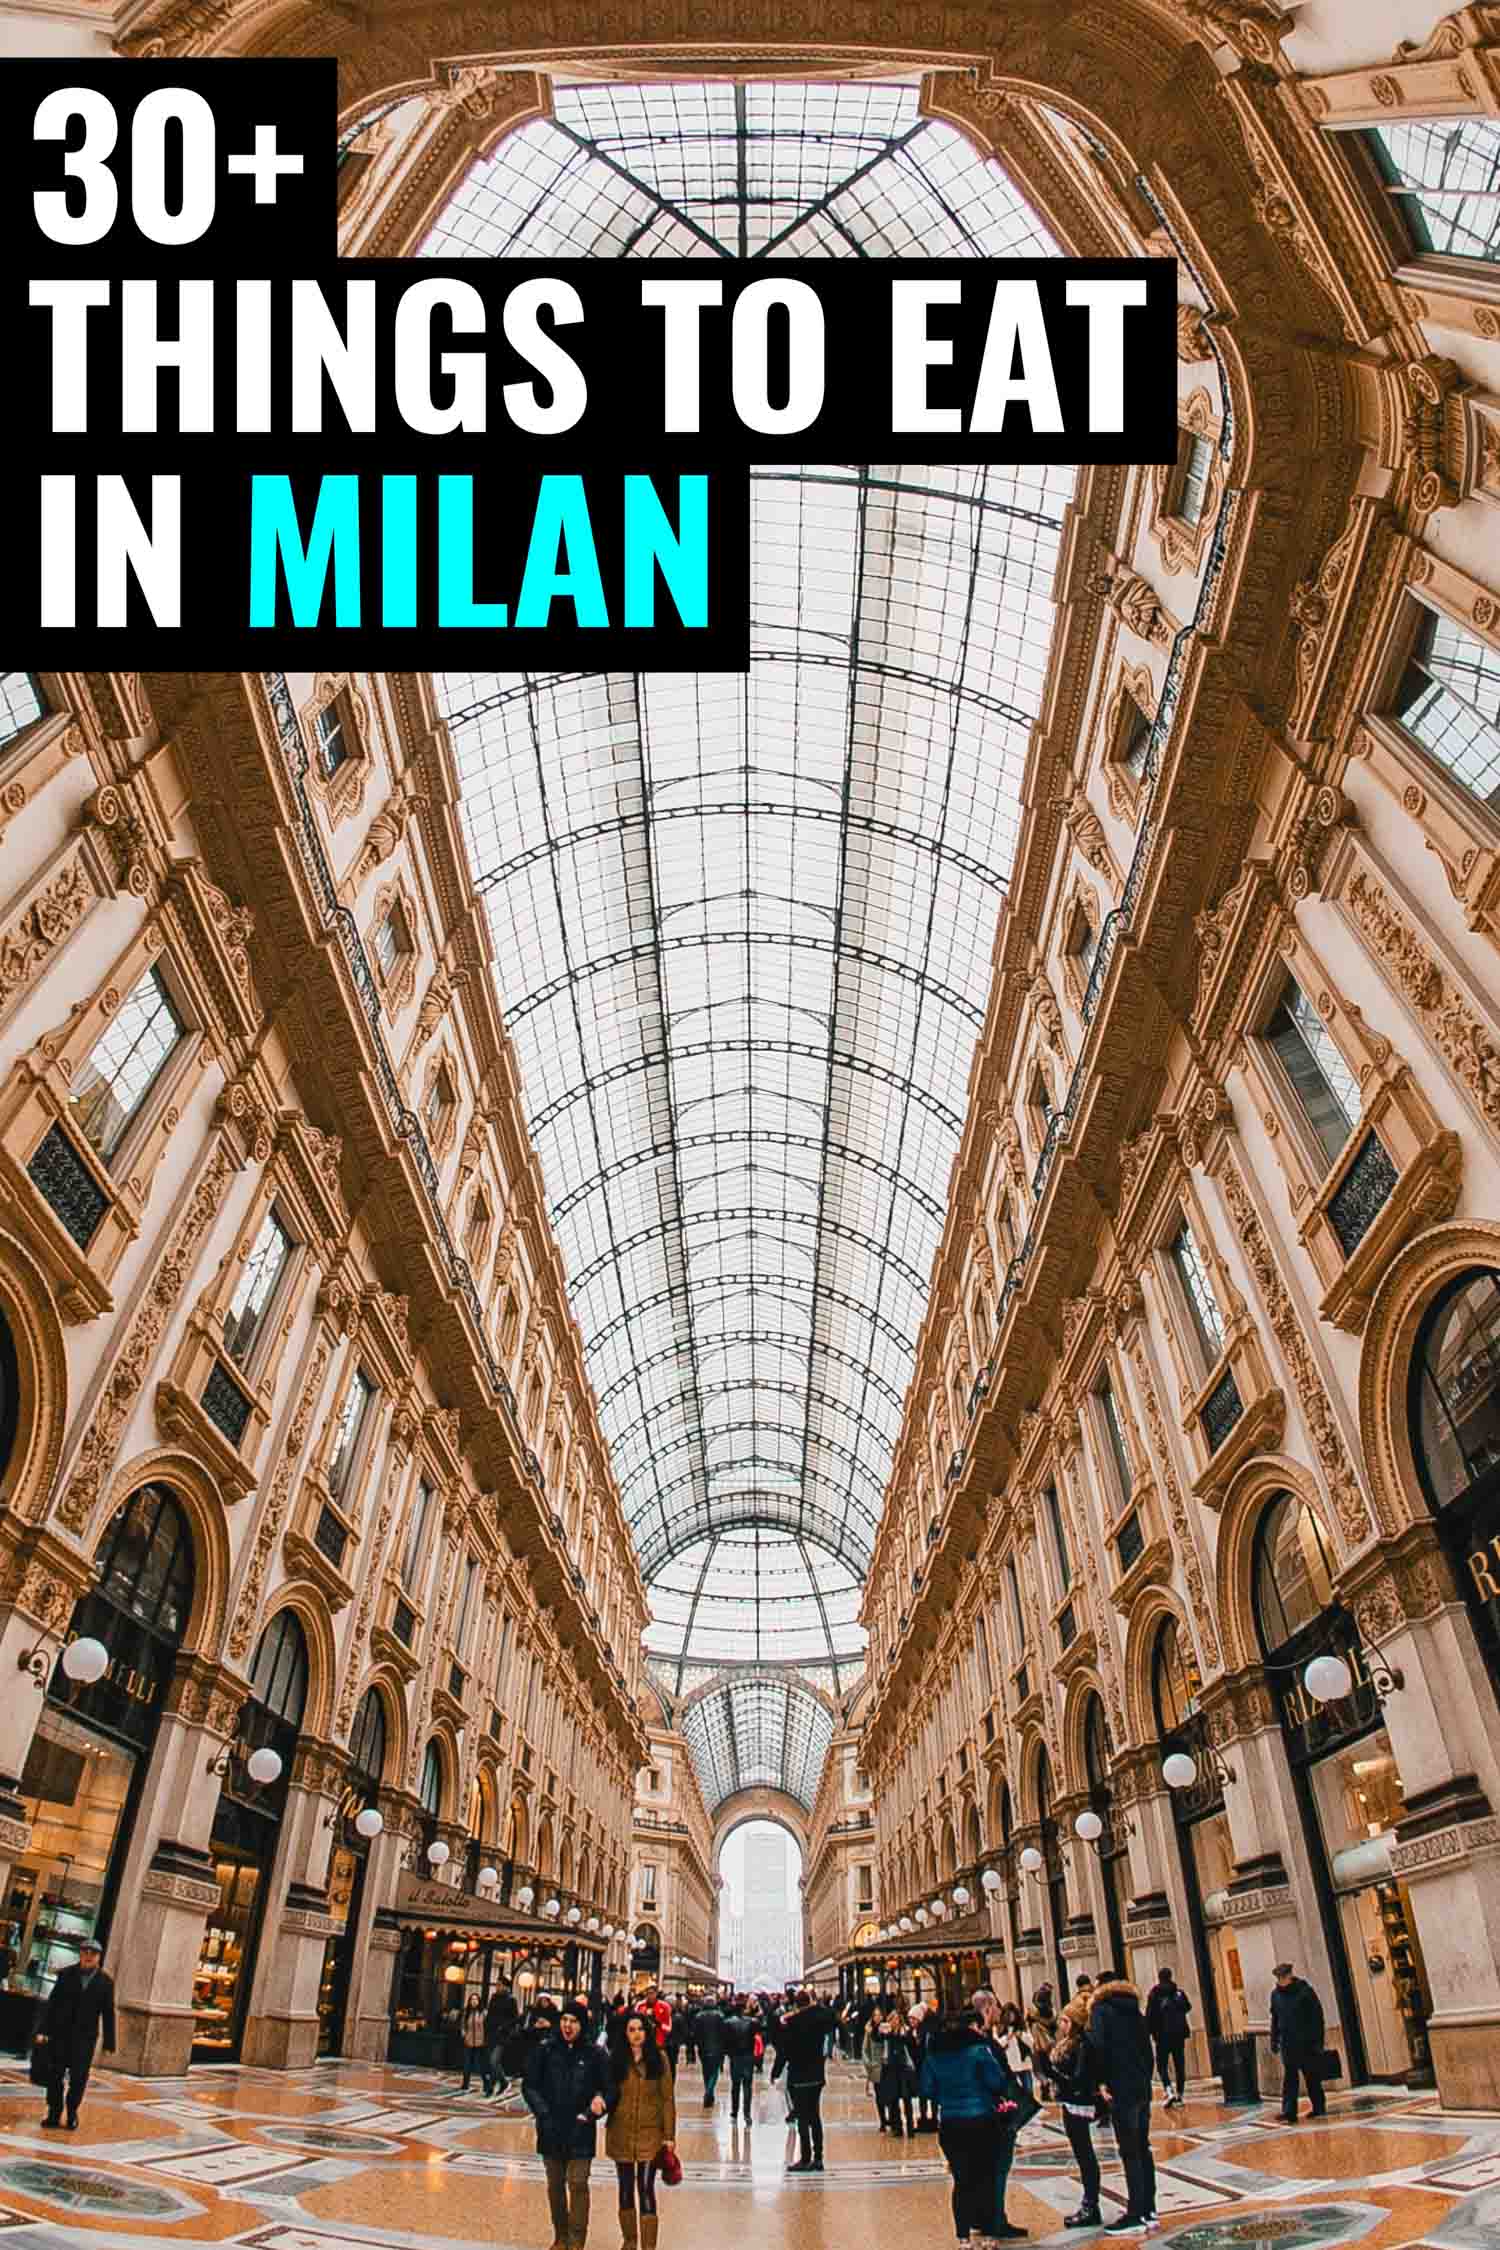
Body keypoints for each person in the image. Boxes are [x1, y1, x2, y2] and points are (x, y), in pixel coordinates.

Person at [918, 2005, 1026, 2245]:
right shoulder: (979, 2051)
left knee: (962, 2180)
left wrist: (946, 2098)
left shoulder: (934, 2055)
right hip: (981, 2121)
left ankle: (963, 2237)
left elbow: (925, 2089)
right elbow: (997, 2082)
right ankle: (988, 2235)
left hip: (950, 2124)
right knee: (985, 2177)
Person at [523, 1999, 616, 2250]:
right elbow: (529, 2084)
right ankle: (560, 2236)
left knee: (577, 2183)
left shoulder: (595, 2054)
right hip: (551, 2127)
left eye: (573, 2021)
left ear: (582, 2025)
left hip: (580, 2127)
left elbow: (609, 2089)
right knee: (555, 2185)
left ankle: (576, 2240)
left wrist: (596, 2107)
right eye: (564, 2020)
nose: (567, 2025)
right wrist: (542, 2113)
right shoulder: (545, 2049)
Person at [1085, 1976, 1157, 2237]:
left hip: (1120, 2088)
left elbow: (1098, 2048)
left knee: (1129, 2150)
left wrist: (1102, 2082)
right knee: (1142, 2146)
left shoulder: (1100, 2010)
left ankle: (1135, 2212)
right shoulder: (1134, 2009)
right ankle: (1149, 2209)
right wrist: (1144, 2080)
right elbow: (1148, 2050)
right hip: (1141, 2087)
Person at [606, 2009, 676, 2250]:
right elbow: (607, 2092)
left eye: (640, 2030)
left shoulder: (660, 2059)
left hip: (650, 2133)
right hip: (621, 2131)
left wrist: (669, 2136)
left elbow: (667, 2098)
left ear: (647, 2032)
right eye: (631, 2030)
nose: (636, 2034)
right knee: (625, 2187)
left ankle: (648, 2246)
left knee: (645, 2187)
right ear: (625, 2034)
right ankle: (630, 2241)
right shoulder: (615, 2059)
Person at [1036, 1992, 1105, 2229]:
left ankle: (1090, 2206)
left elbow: (1077, 2080)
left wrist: (1051, 2071)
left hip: (1078, 2104)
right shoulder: (1073, 2044)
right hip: (1072, 2102)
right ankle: (1089, 2203)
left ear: (1074, 2022)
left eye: (1065, 2021)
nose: (1061, 2025)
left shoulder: (1081, 2045)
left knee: (1085, 2155)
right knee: (1083, 2155)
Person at [35, 1937, 115, 2130]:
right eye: (85, 1952)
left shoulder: (105, 1982)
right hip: (60, 2034)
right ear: (80, 1953)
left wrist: (109, 2042)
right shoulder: (66, 1975)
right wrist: (43, 2030)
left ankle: (72, 2112)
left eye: (92, 1953)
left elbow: (108, 2011)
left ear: (98, 1957)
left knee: (79, 2078)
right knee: (55, 2074)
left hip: (85, 2038)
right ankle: (54, 2112)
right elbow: (52, 2004)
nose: (88, 1956)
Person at [770, 1986, 837, 2173]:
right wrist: (815, 2006)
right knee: (815, 2116)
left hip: (798, 2076)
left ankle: (805, 2158)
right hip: (816, 2075)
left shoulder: (792, 2023)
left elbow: (783, 2051)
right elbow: (831, 2015)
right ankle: (819, 2158)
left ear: (795, 2005)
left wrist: (775, 2072)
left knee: (802, 2117)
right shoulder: (819, 2020)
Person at [1269, 1964, 1326, 2123]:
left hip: (1306, 2043)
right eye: (1279, 1978)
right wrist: (1274, 2039)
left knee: (1311, 2077)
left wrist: (1319, 2041)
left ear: (1290, 1975)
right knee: (1290, 2079)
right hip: (1288, 2044)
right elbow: (1275, 2019)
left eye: (1284, 1977)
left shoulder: (1305, 1991)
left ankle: (1319, 2107)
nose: (1281, 1981)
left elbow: (1317, 2017)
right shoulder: (1275, 1995)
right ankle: (1289, 2112)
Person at [1143, 1970, 1191, 2108]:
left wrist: (1150, 2032)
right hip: (1178, 2035)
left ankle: (1168, 2090)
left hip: (1162, 2037)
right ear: (1171, 1977)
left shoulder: (1154, 1994)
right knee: (1179, 2065)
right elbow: (1187, 2007)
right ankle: (1180, 2095)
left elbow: (1149, 2015)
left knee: (1162, 2065)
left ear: (1159, 1978)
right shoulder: (1178, 1993)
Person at [875, 2005, 920, 2137]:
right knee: (893, 2099)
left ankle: (910, 2128)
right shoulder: (886, 2033)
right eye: (892, 2019)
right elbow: (877, 2039)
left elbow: (911, 2045)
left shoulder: (905, 2032)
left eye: (897, 2019)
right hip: (889, 2069)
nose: (895, 2022)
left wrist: (906, 2034)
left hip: (903, 2069)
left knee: (906, 2099)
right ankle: (897, 2127)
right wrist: (881, 2031)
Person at [722, 1998, 757, 2124]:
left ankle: (734, 2112)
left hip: (735, 2057)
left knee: (735, 2085)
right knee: (747, 2086)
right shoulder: (752, 2022)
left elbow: (725, 2041)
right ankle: (747, 2114)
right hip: (748, 2057)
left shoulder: (728, 2023)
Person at [486, 1985, 520, 2097]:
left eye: (500, 1985)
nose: (497, 1987)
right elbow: (489, 2014)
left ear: (506, 1986)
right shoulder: (494, 1997)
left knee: (493, 2061)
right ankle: (501, 2083)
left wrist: (504, 2027)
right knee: (494, 2063)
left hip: (503, 2035)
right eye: (497, 1984)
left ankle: (493, 2086)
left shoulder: (511, 2000)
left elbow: (515, 2018)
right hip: (491, 2034)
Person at [694, 1996, 725, 2106]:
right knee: (714, 2071)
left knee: (706, 2071)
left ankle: (708, 2091)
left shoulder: (699, 2016)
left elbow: (696, 2034)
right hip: (717, 2048)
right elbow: (723, 2034)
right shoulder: (720, 2016)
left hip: (703, 2048)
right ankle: (709, 2092)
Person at [996, 2003, 1033, 2095]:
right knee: (1014, 2092)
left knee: (1028, 2090)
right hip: (1010, 2064)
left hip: (1024, 2063)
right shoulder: (1000, 2028)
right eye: (1008, 2015)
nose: (1011, 2017)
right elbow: (998, 2045)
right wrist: (1007, 2038)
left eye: (1013, 2014)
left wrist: (1021, 2035)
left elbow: (1031, 2042)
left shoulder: (1021, 2027)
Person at [461, 1989, 491, 2092]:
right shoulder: (467, 2012)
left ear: (479, 2001)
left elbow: (487, 2026)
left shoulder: (483, 2013)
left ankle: (486, 2083)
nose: (473, 2001)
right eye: (472, 1999)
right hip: (469, 2042)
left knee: (480, 2065)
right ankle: (465, 2084)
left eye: (475, 1999)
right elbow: (463, 2025)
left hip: (480, 2042)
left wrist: (485, 2039)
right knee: (467, 2064)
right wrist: (464, 2033)